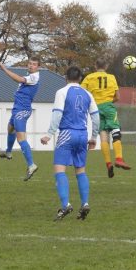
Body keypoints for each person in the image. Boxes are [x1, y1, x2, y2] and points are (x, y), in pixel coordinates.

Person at [40, 66, 100, 221]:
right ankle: (85, 203)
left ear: (65, 77)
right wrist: (93, 137)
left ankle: (65, 204)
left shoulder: (62, 92)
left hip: (67, 133)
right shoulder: (88, 94)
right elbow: (95, 117)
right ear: (80, 78)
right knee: (80, 171)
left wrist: (49, 134)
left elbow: (57, 114)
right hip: (82, 135)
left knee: (59, 169)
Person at [81, 59, 131, 177]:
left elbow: (82, 94)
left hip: (95, 109)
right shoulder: (111, 78)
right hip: (108, 107)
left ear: (95, 66)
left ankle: (108, 164)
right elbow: (117, 97)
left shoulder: (89, 78)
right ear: (106, 66)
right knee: (116, 132)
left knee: (103, 137)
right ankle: (119, 158)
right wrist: (108, 102)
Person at [0, 57, 40, 181]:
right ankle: (8, 152)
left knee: (21, 138)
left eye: (34, 64)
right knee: (10, 129)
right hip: (17, 109)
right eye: (30, 63)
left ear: (38, 67)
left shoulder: (34, 77)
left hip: (23, 110)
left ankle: (31, 165)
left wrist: (4, 69)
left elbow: (18, 79)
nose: (31, 65)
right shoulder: (29, 76)